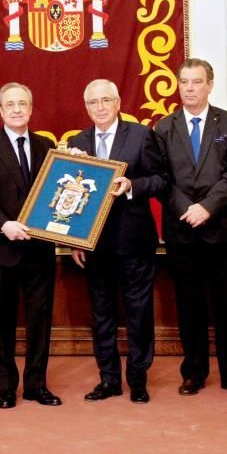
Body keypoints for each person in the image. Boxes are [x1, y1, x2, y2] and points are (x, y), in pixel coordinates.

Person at [154, 58, 227, 397]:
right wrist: (188, 209)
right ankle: (193, 373)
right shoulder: (163, 128)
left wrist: (207, 207)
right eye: (184, 82)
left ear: (210, 85)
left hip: (223, 230)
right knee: (189, 305)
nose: (190, 88)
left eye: (197, 82)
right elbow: (161, 179)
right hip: (182, 230)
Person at [69, 79, 167, 404]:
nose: (99, 107)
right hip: (94, 245)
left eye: (105, 100)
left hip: (134, 242)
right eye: (93, 102)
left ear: (118, 102)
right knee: (102, 315)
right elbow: (71, 197)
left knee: (139, 313)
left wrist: (131, 185)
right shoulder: (77, 142)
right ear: (86, 107)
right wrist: (74, 240)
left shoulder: (141, 135)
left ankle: (138, 380)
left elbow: (161, 180)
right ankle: (108, 380)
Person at [0, 82, 60, 409]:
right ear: (1, 110)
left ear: (31, 108)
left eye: (23, 103)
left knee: (40, 322)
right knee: (2, 322)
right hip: (1, 249)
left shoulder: (47, 145)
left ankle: (37, 385)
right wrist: (4, 224)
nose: (17, 109)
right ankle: (6, 387)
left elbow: (57, 190)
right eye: (10, 104)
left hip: (39, 250)